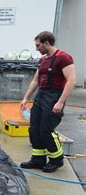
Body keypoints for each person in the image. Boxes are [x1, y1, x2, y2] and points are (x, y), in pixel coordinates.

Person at [20, 31, 76, 173]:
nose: (36, 48)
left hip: (54, 96)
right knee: (34, 130)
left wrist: (60, 102)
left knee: (46, 131)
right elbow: (36, 80)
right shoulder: (43, 59)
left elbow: (71, 80)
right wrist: (26, 98)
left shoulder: (63, 58)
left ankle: (56, 160)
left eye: (38, 45)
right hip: (41, 95)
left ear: (47, 43)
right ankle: (38, 159)